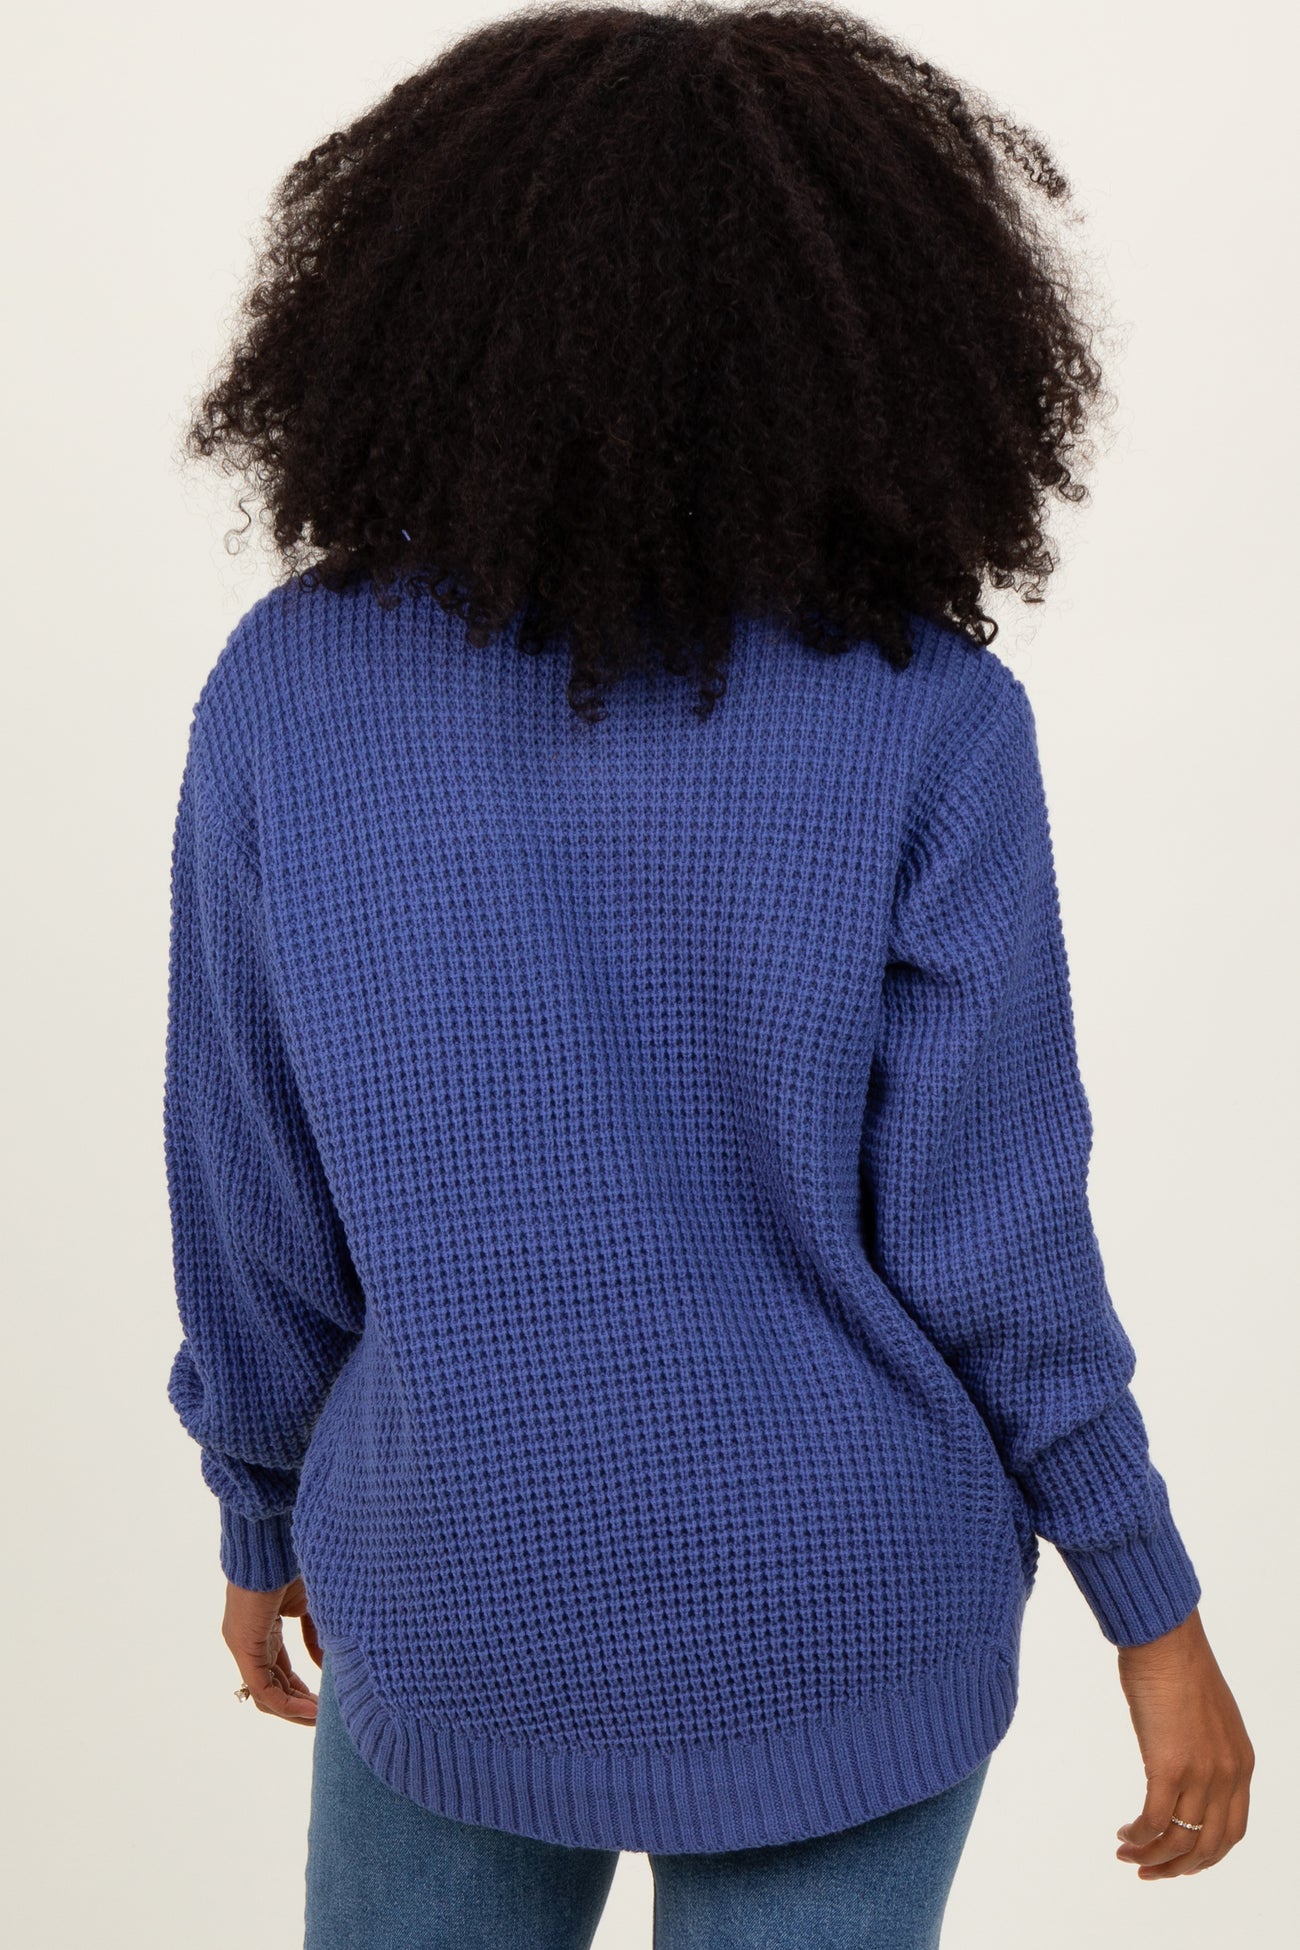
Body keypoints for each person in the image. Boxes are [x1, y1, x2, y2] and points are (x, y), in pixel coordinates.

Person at [163, 4, 1254, 1944]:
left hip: (453, 1591)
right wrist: (1146, 1606)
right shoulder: (923, 716)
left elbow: (249, 1188)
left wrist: (258, 1504)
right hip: (850, 1615)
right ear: (882, 339)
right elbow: (994, 1239)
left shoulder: (290, 691)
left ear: (421, 308)